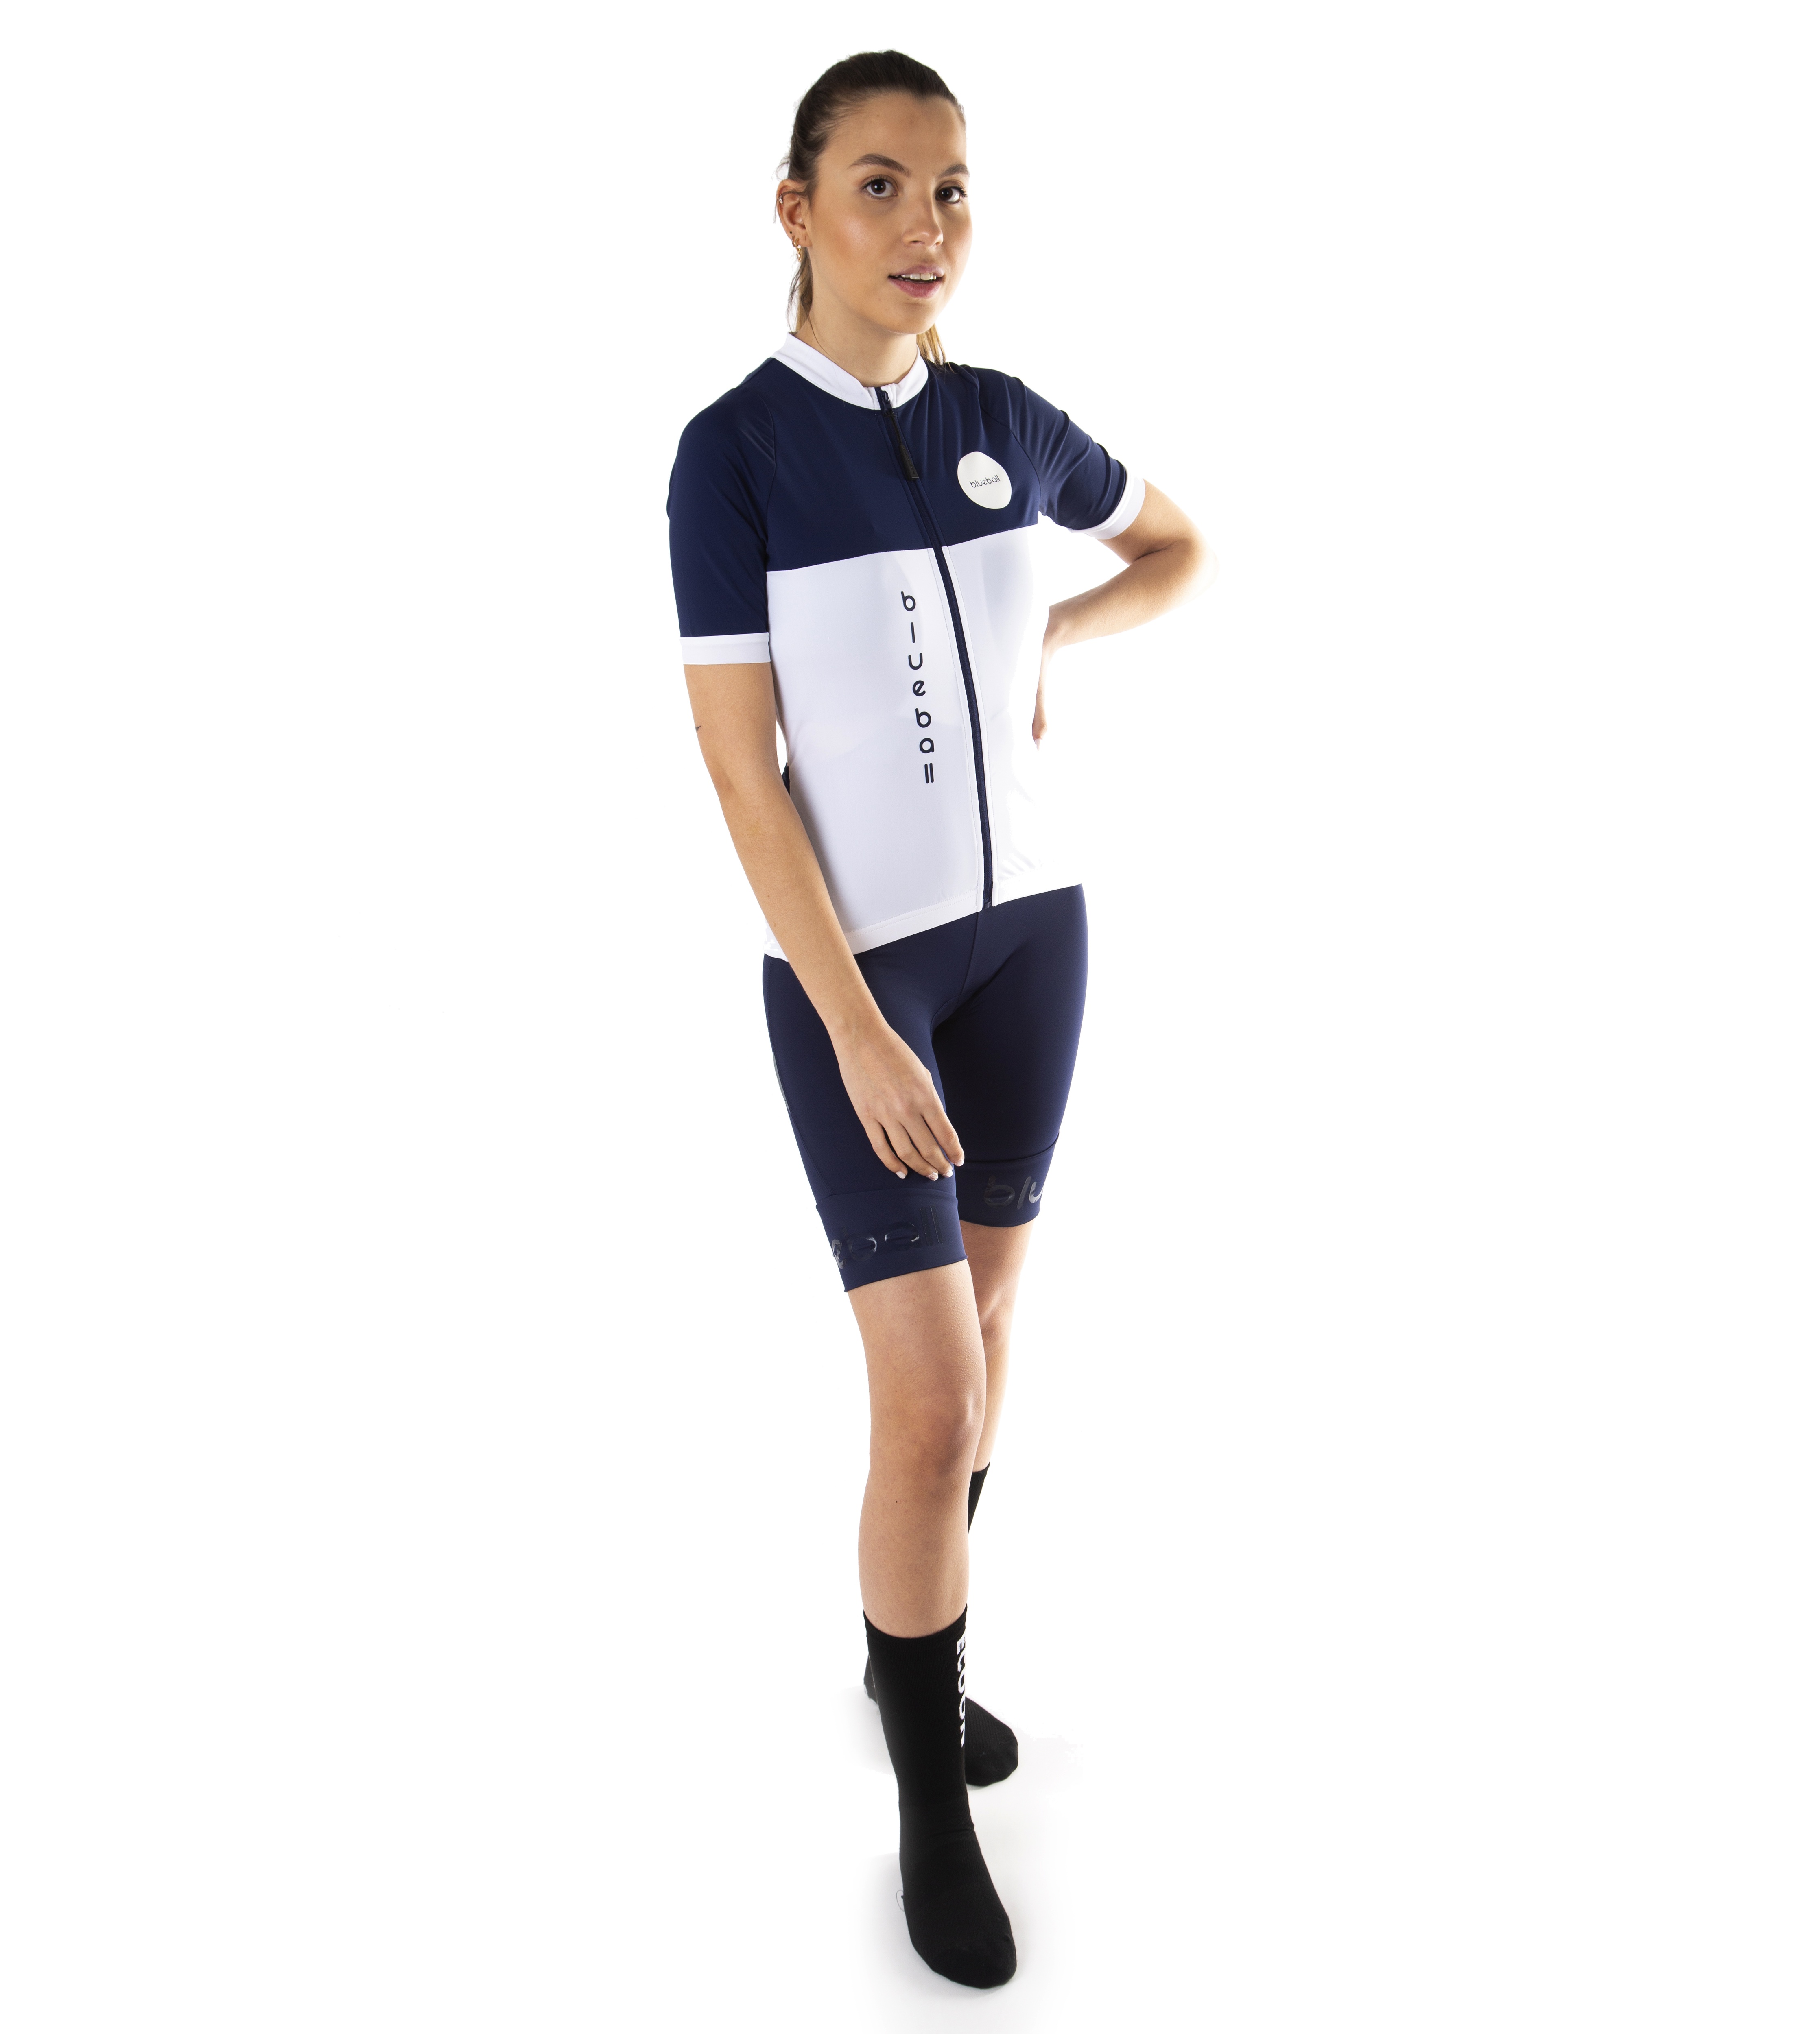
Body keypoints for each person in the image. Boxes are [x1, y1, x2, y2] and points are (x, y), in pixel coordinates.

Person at [666, 49, 1215, 1990]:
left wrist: (1057, 625)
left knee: (982, 1358)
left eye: (954, 186)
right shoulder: (733, 452)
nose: (926, 225)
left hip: (1032, 945)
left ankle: (922, 1645)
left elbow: (1178, 544)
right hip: (865, 980)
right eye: (883, 184)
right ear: (798, 208)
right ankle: (926, 1789)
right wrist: (852, 1029)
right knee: (928, 1403)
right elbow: (741, 775)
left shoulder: (1002, 421)